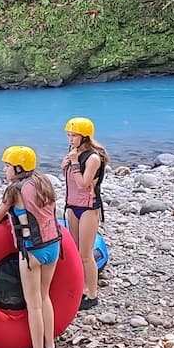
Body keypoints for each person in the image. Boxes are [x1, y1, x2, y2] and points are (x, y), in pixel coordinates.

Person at [0, 146, 61, 348]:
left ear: (18, 168)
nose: (4, 169)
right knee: (45, 297)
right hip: (53, 246)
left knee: (33, 306)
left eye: (7, 166)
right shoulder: (43, 182)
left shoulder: (14, 190)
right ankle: (50, 346)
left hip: (32, 250)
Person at [62, 117, 109, 310]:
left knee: (85, 254)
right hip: (72, 206)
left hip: (89, 208)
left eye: (74, 136)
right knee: (74, 249)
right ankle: (79, 288)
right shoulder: (74, 154)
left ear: (85, 137)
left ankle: (92, 294)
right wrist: (67, 162)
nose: (70, 139)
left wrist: (73, 164)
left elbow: (83, 183)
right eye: (69, 136)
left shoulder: (93, 158)